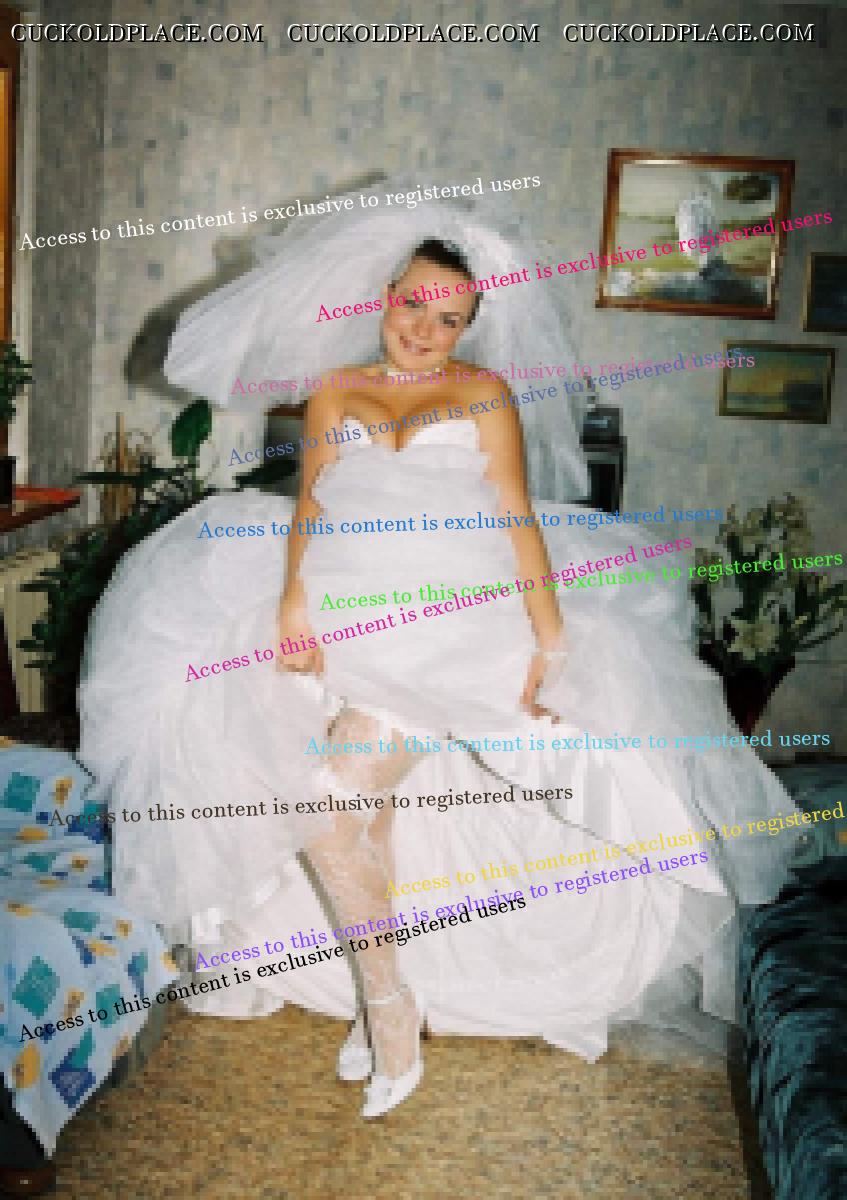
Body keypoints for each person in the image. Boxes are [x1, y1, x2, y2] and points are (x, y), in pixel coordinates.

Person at [79, 189, 799, 1120]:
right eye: (414, 304)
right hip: (345, 609)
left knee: (329, 801)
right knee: (365, 817)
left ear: (470, 325)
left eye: (450, 318)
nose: (426, 329)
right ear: (385, 296)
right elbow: (310, 507)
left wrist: (549, 639)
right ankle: (384, 995)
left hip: (455, 623)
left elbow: (517, 519)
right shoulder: (335, 391)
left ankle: (390, 1009)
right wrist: (293, 605)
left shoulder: (482, 394)